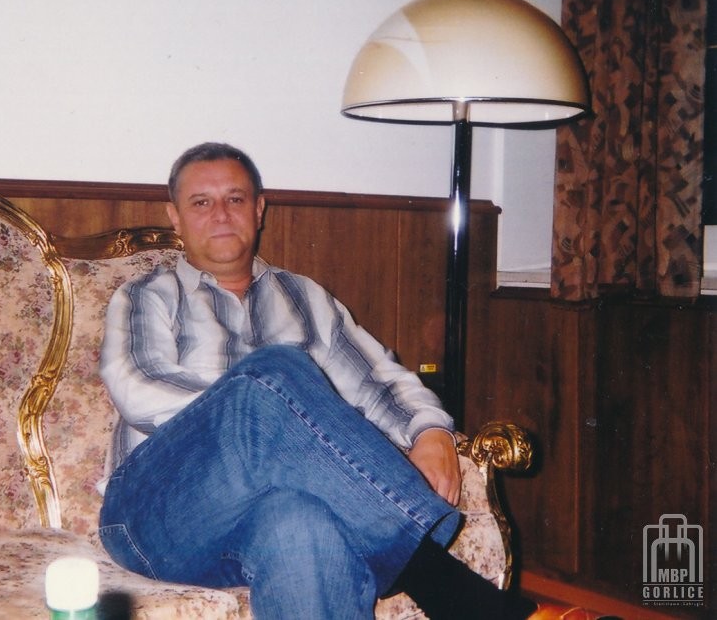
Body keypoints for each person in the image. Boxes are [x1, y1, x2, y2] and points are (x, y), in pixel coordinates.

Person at [97, 142, 597, 620]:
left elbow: (376, 381)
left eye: (236, 199)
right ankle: (452, 589)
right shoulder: (146, 295)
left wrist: (430, 430)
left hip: (254, 521)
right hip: (155, 514)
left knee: (302, 526)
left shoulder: (305, 298)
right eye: (201, 202)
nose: (221, 214)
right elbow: (138, 389)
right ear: (175, 217)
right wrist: (262, 410)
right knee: (272, 375)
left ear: (259, 209)